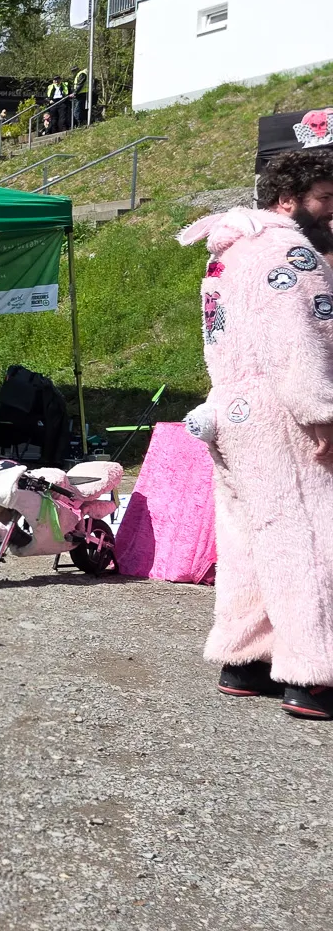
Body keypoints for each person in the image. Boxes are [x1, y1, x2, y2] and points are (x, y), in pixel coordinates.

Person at [181, 146, 333, 718]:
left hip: (234, 411)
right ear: (288, 200)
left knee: (249, 539)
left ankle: (246, 658)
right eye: (325, 198)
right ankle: (315, 674)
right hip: (284, 414)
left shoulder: (229, 253)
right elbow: (301, 338)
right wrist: (322, 410)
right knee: (311, 539)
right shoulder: (290, 253)